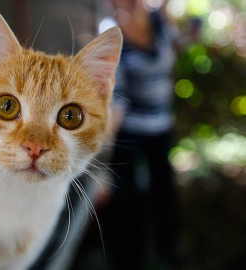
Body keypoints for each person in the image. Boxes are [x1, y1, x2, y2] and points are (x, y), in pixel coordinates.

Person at [102, 0, 179, 269]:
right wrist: (103, 150)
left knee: (165, 188)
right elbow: (117, 96)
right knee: (126, 196)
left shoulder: (161, 22)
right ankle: (129, 258)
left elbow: (175, 49)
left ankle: (168, 248)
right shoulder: (112, 33)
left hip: (161, 125)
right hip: (131, 129)